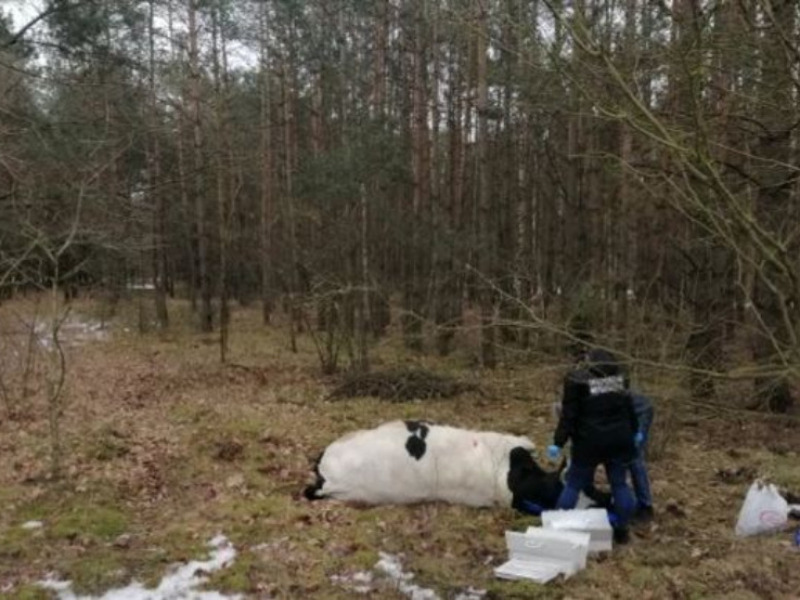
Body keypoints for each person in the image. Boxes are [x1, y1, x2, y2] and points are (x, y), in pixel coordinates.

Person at [547, 348, 640, 544]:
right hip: (618, 441)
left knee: (573, 484)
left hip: (589, 442)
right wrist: (635, 430)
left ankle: (556, 529)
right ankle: (622, 530)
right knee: (619, 484)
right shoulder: (620, 379)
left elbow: (568, 416)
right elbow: (629, 409)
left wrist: (558, 442)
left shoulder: (577, 381)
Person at [629, 392, 654, 521]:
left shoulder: (602, 385)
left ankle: (645, 506)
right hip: (628, 411)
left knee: (634, 458)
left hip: (640, 410)